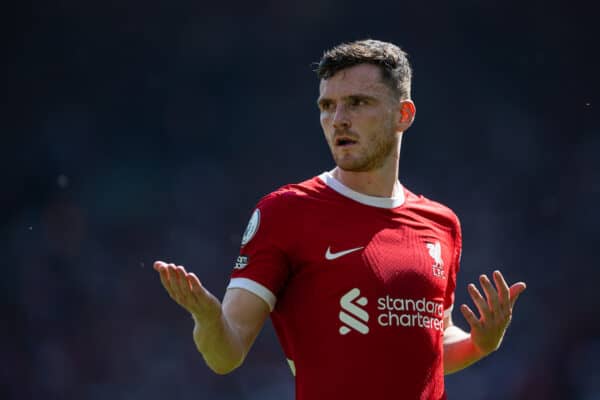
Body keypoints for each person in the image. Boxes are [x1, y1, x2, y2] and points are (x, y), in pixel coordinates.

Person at [153, 39, 527, 400]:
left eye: (357, 103)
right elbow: (226, 354)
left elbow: (432, 348)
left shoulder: (442, 223)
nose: (338, 120)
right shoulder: (286, 211)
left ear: (404, 114)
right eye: (327, 105)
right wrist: (207, 319)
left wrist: (481, 343)